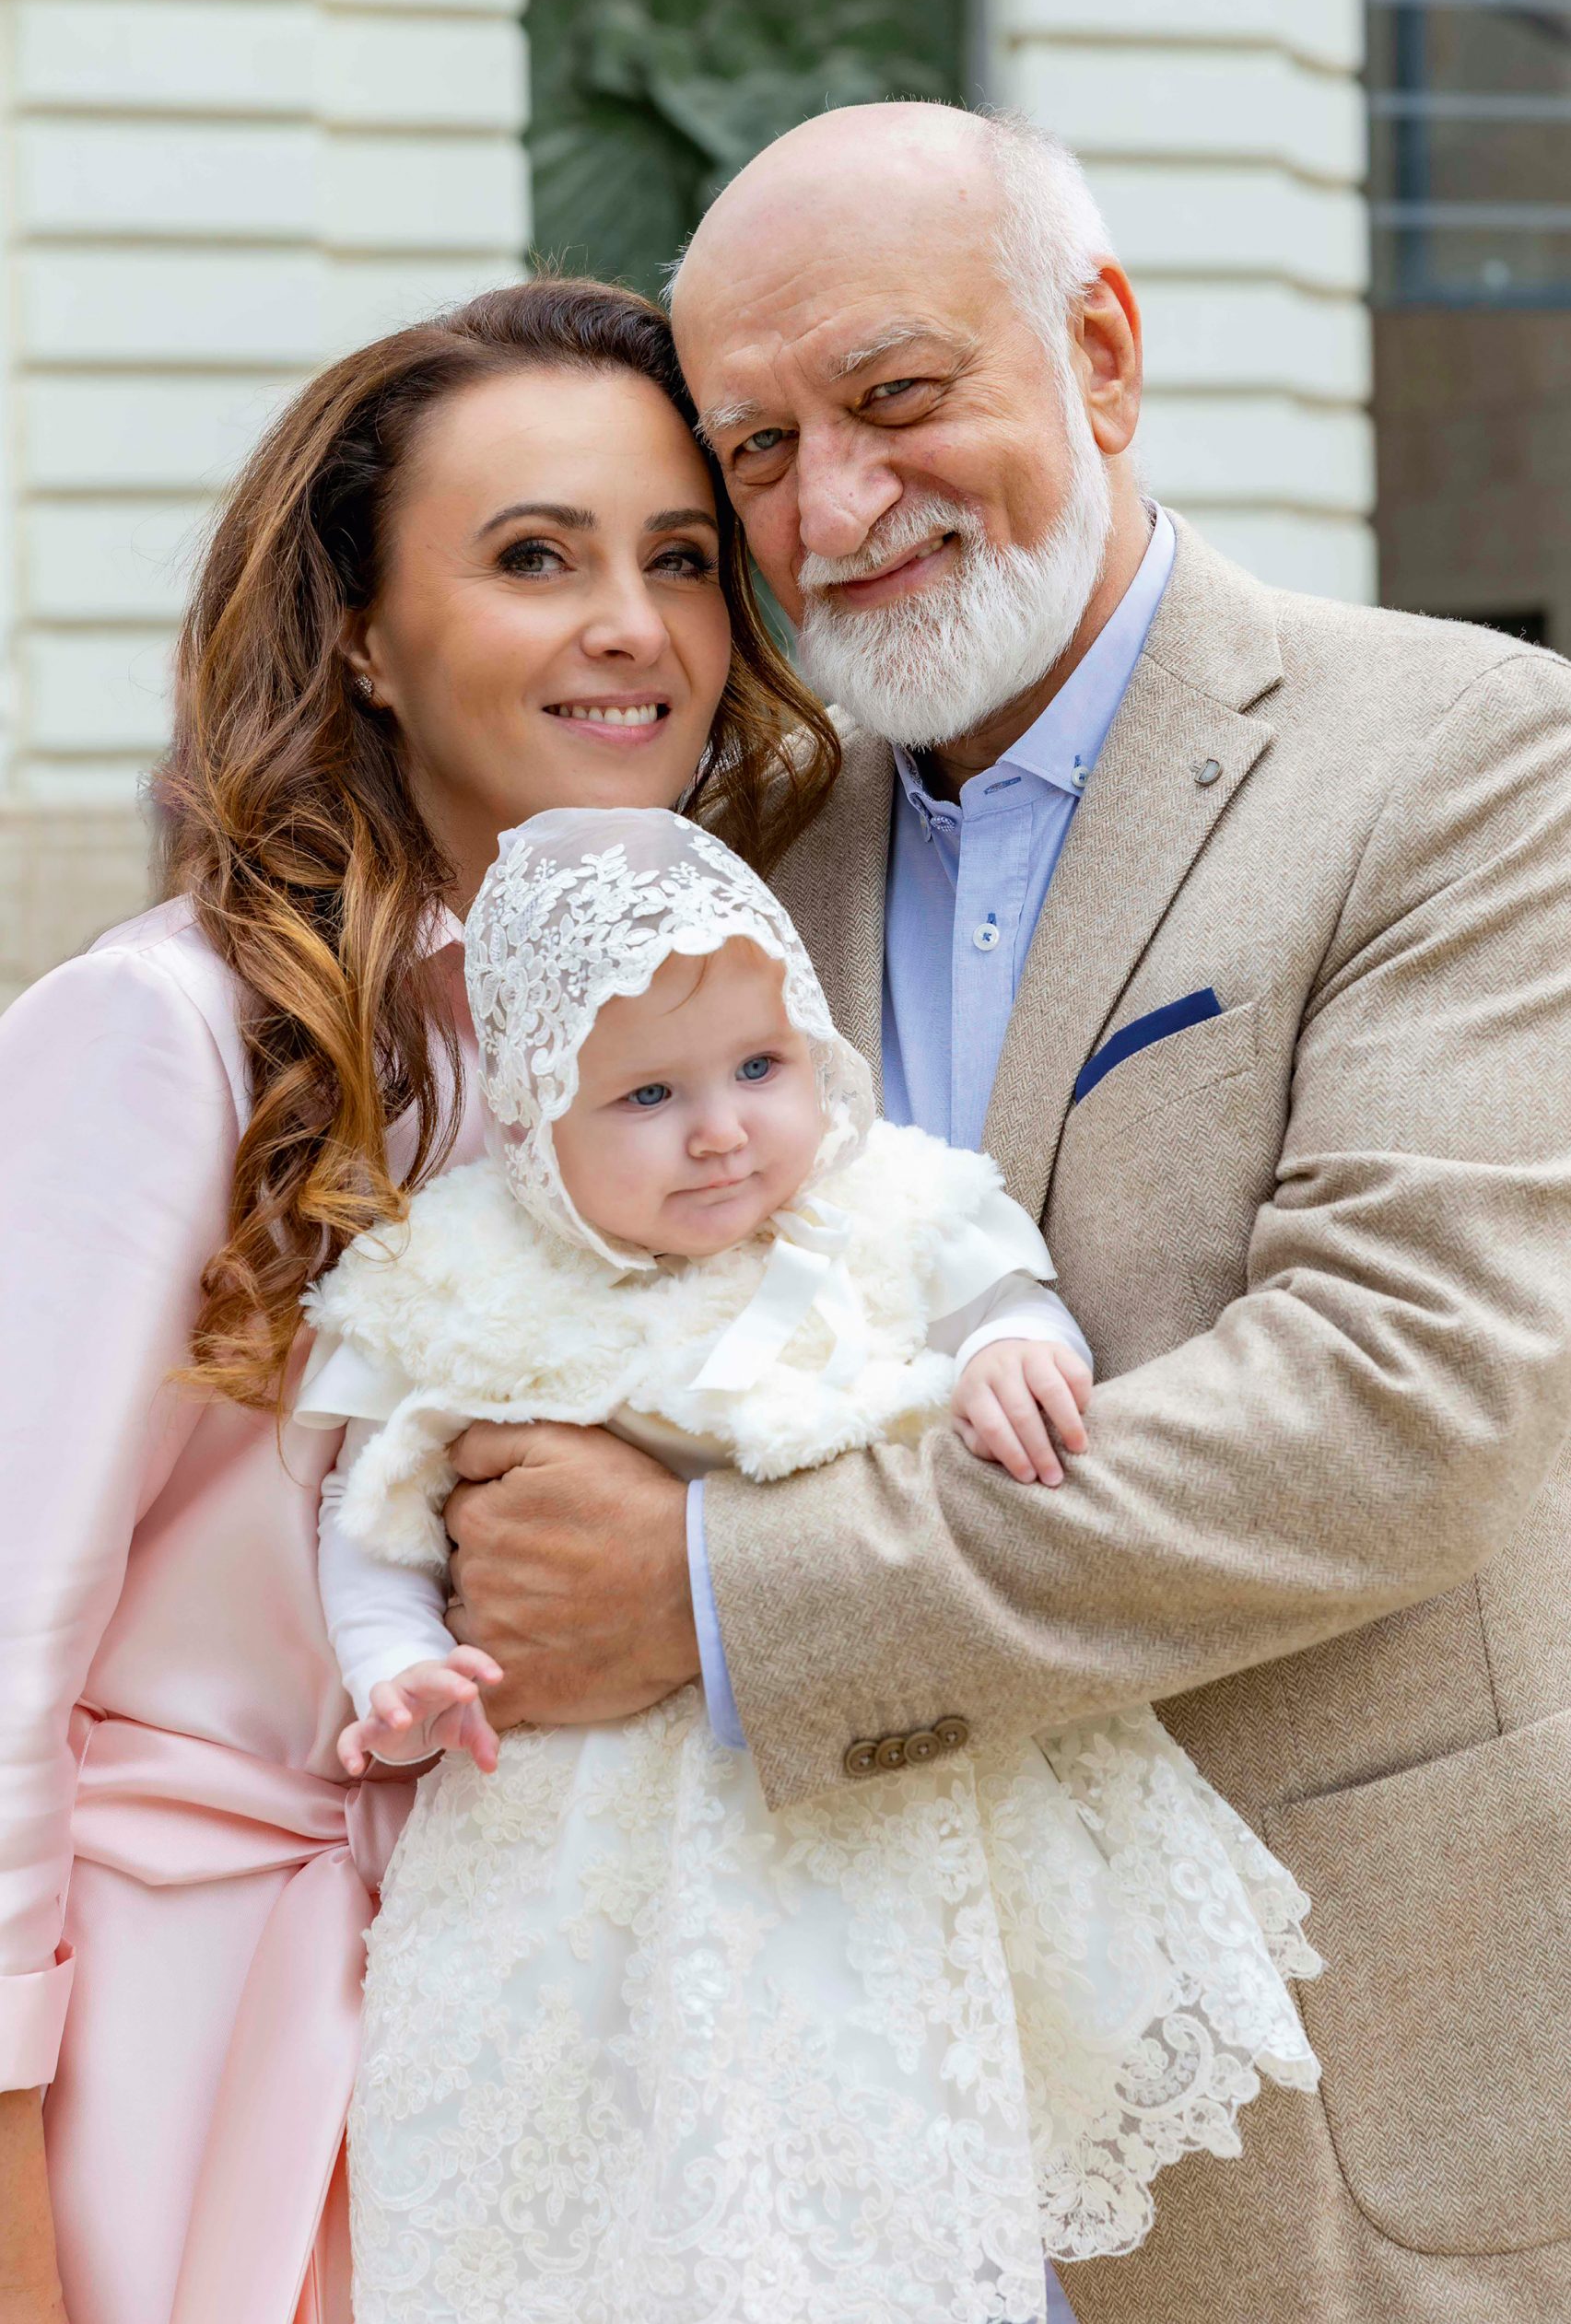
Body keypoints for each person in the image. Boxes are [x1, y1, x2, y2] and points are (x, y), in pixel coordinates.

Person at [440, 109, 1571, 2324]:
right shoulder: (741, 859)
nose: (832, 509)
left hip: (1341, 2125)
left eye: (895, 396)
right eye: (759, 451)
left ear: (1103, 356)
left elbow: (1404, 1400)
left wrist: (711, 1587)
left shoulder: (1466, 752)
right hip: (845, 2138)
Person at [0, 281, 835, 2324]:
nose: (632, 626)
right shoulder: (167, 1028)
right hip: (203, 2054)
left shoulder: (725, 1055)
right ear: (362, 635)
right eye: (535, 556)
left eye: (681, 561)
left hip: (560, 2019)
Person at [299, 803, 1319, 2323]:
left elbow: (1003, 1296)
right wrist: (397, 1663)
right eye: (648, 1095)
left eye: (759, 1069)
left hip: (873, 1775)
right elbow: (371, 1513)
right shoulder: (463, 1269)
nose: (721, 1129)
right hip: (591, 1830)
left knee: (890, 2113)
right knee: (621, 2156)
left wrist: (1011, 1351)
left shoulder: (877, 1197)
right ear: (533, 1117)